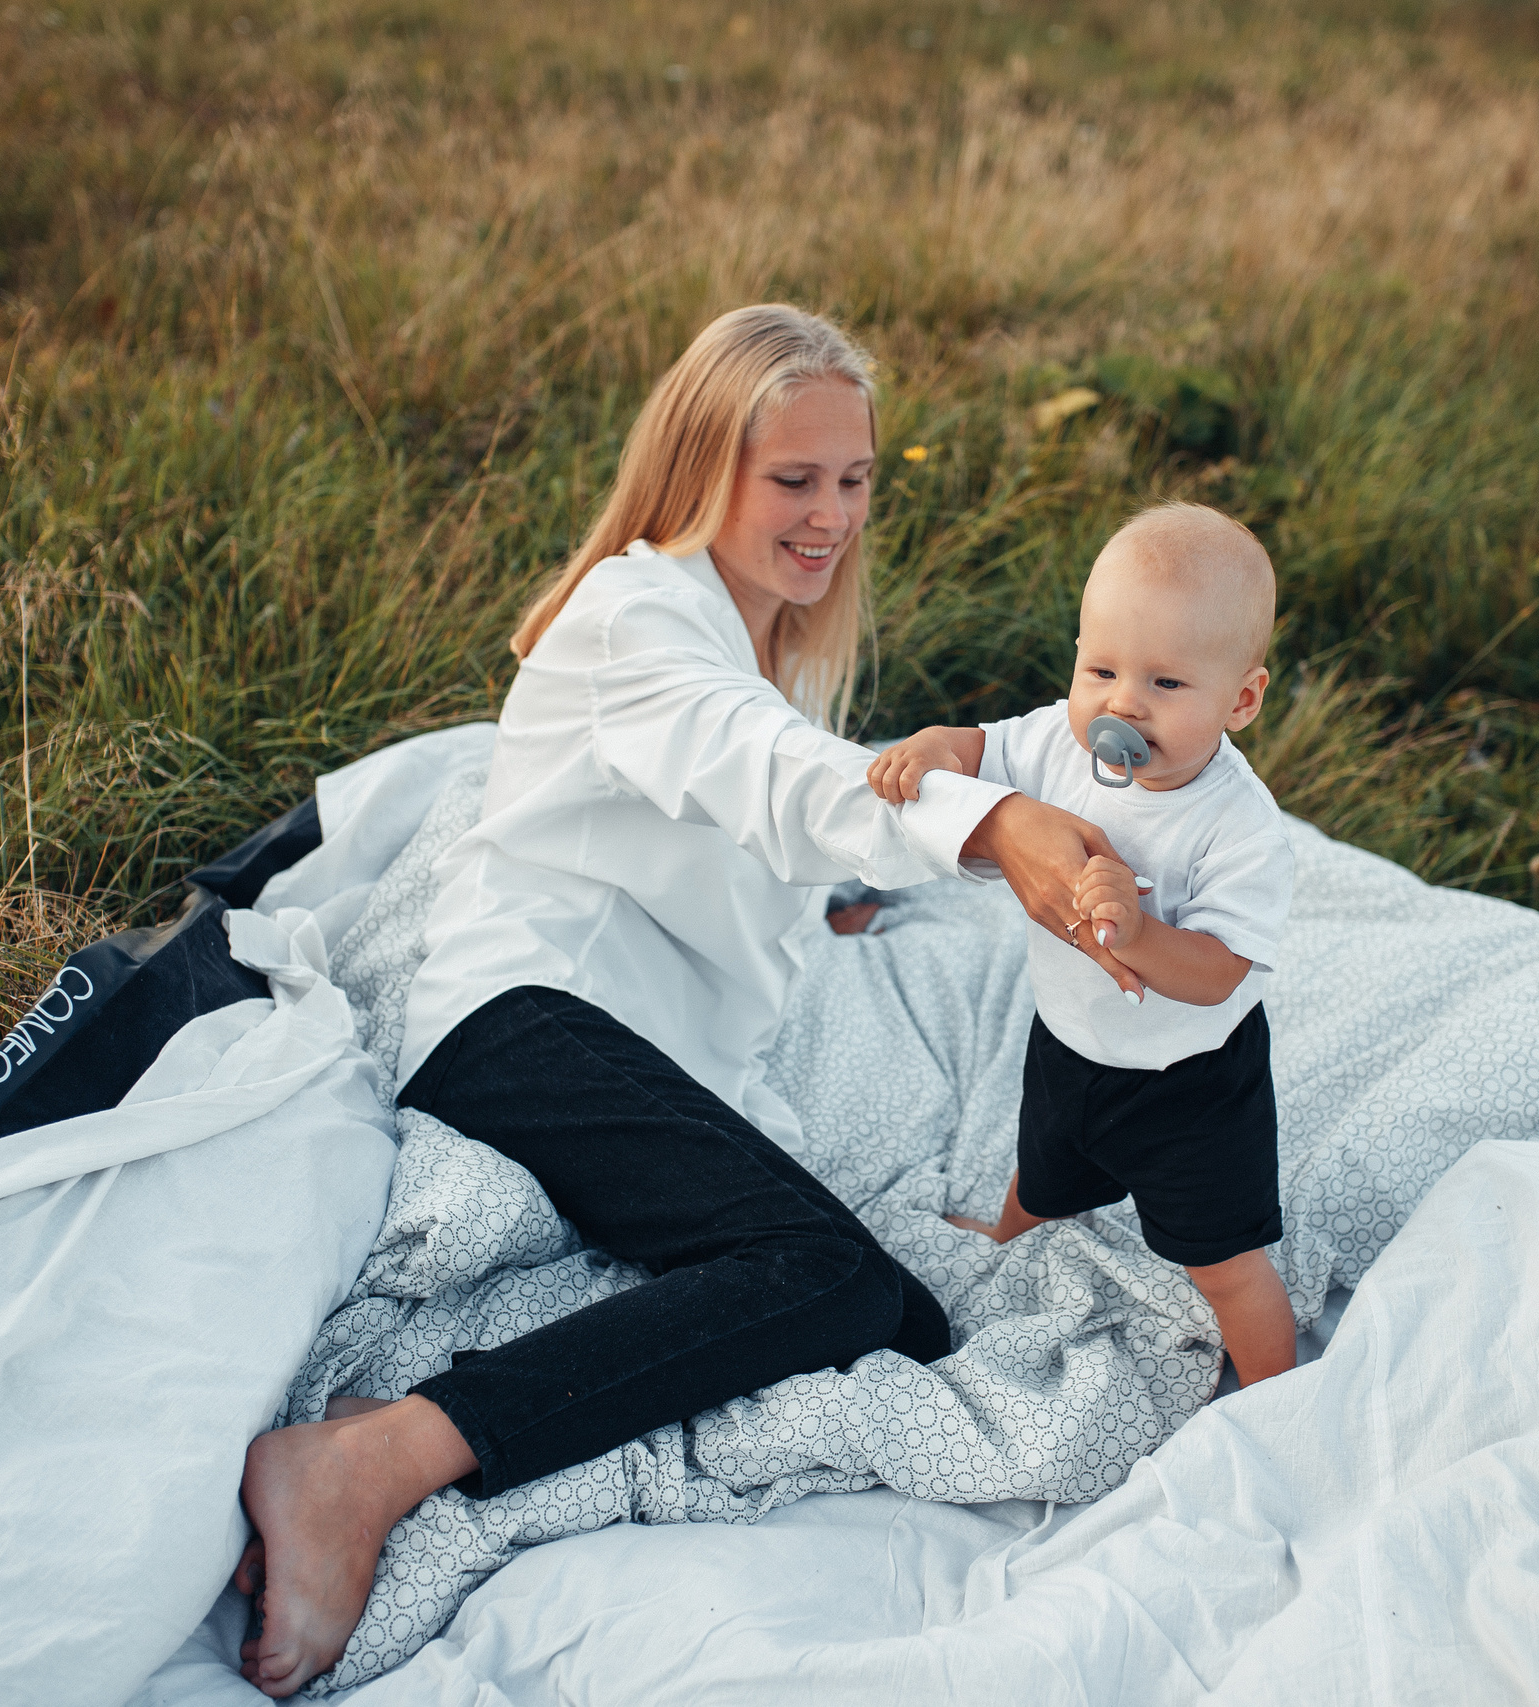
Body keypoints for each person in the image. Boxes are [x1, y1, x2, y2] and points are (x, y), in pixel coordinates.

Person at [229, 305, 1152, 1697]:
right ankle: (374, 1451)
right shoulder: (639, 614)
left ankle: (408, 1440)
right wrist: (991, 825)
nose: (831, 513)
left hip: (639, 1052)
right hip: (522, 1025)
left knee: (894, 1316)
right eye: (794, 478)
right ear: (702, 464)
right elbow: (768, 768)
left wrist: (859, 884)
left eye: (854, 477)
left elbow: (782, 811)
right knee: (827, 1276)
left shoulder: (762, 633)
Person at [866, 502, 1300, 1391]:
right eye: (1099, 667)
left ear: (1241, 699)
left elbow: (1219, 974)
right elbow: (987, 750)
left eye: (1166, 685)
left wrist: (1140, 933)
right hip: (1070, 1040)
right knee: (1046, 1165)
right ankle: (1009, 1236)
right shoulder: (1061, 747)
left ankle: (1272, 1391)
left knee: (1225, 1263)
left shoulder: (1240, 828)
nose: (1120, 704)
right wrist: (940, 745)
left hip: (1191, 1087)